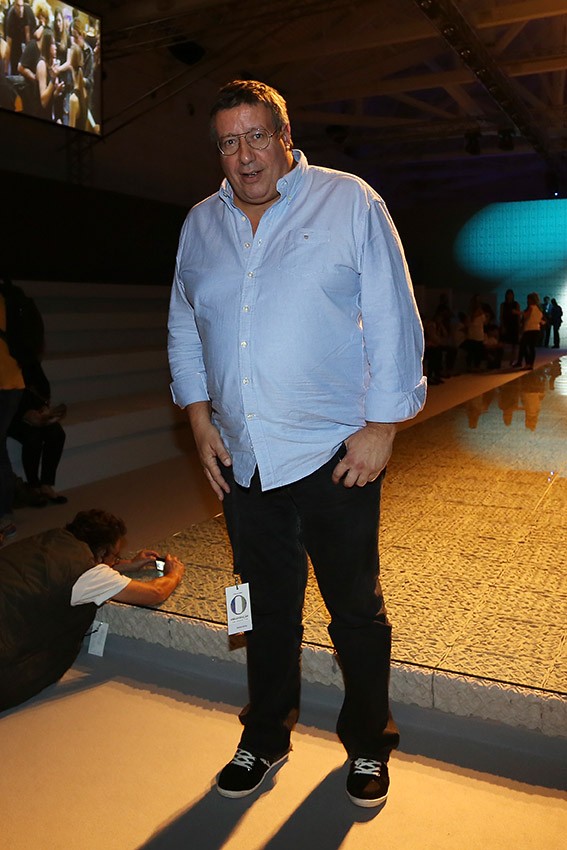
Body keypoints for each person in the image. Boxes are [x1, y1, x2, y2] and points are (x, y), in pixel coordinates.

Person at [168, 79, 426, 808]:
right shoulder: (199, 224)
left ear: (285, 137)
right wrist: (197, 417)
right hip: (243, 460)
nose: (244, 156)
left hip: (335, 456)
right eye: (228, 142)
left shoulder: (349, 202)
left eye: (257, 136)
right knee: (262, 608)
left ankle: (368, 741)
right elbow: (185, 324)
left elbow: (392, 314)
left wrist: (382, 426)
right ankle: (265, 733)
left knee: (355, 611)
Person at [0, 508, 185, 711]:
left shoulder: (51, 539)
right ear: (101, 552)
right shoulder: (89, 574)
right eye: (114, 555)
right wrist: (173, 574)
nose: (115, 560)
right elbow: (155, 593)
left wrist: (128, 565)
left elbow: (67, 571)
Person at [513, 292, 544, 369]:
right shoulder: (539, 309)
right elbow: (540, 319)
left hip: (529, 329)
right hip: (536, 329)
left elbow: (527, 315)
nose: (527, 301)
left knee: (524, 346)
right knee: (531, 347)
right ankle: (530, 364)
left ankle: (527, 363)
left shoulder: (531, 307)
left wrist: (517, 312)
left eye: (528, 299)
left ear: (531, 300)